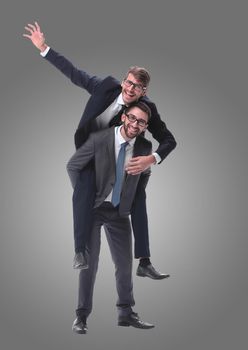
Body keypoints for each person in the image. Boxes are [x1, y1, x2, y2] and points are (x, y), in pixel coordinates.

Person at [23, 22, 177, 279]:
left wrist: (152, 158)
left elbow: (169, 139)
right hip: (89, 150)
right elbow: (74, 73)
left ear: (143, 91)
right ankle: (80, 250)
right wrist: (44, 48)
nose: (129, 90)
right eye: (128, 83)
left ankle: (145, 261)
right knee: (84, 185)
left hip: (115, 156)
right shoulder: (105, 86)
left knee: (138, 195)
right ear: (122, 81)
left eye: (136, 87)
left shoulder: (146, 109)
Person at [67, 101, 155, 333]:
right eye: (133, 118)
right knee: (89, 264)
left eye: (142, 122)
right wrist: (86, 195)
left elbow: (144, 174)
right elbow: (73, 166)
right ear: (124, 116)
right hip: (93, 210)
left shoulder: (145, 146)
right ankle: (81, 317)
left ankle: (125, 313)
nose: (135, 124)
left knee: (124, 264)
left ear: (145, 126)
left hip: (118, 211)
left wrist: (131, 193)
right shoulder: (100, 138)